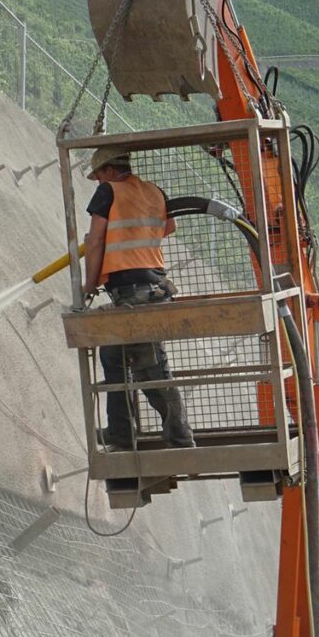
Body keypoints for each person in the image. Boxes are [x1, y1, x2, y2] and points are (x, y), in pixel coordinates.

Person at [81, 146, 195, 450]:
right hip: (154, 287)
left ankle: (175, 435)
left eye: (98, 176)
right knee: (125, 358)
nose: (98, 182)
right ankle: (133, 431)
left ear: (106, 171)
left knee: (148, 365)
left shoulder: (108, 192)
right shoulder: (153, 190)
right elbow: (169, 226)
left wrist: (89, 286)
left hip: (133, 293)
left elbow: (94, 243)